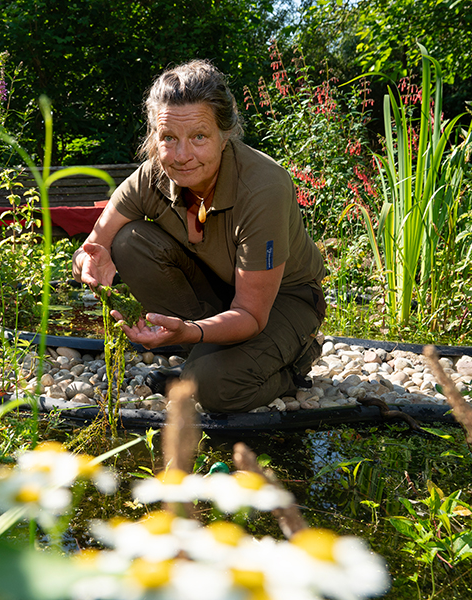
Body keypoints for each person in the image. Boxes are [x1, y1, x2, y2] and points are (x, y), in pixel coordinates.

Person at [71, 59, 327, 413]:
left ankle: (291, 366)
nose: (181, 156)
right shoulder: (153, 175)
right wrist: (87, 261)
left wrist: (189, 330)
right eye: (169, 139)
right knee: (129, 241)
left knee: (214, 389)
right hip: (222, 292)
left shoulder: (263, 188)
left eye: (199, 137)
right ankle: (204, 356)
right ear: (154, 137)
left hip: (284, 300)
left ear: (225, 136)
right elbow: (95, 245)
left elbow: (251, 314)